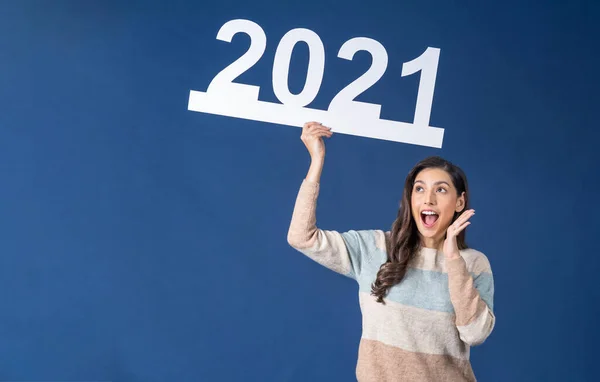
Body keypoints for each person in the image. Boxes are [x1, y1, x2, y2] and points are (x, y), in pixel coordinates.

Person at [287, 122, 495, 381]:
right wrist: (316, 161)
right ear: (410, 198)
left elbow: (475, 334)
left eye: (441, 190)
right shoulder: (375, 248)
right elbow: (301, 236)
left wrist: (453, 259)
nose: (428, 199)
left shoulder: (473, 263)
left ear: (460, 202)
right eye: (419, 189)